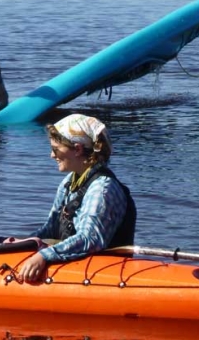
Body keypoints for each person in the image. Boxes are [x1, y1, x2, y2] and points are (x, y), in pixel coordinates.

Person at [18, 114, 137, 283]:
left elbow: (90, 240)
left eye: (55, 149)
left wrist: (44, 256)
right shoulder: (69, 182)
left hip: (105, 275)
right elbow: (50, 229)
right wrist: (23, 245)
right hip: (77, 266)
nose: (52, 155)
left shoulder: (103, 189)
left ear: (78, 149)